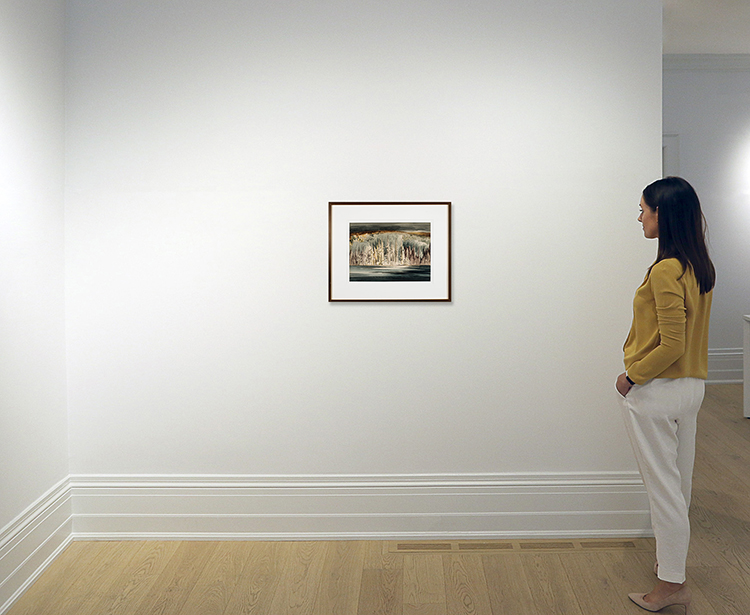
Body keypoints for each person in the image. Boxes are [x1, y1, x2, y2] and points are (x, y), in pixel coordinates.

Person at [616, 176, 715, 614]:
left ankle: (670, 585)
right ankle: (672, 573)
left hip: (658, 391)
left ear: (663, 214)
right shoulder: (698, 266)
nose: (639, 216)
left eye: (643, 209)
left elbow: (671, 343)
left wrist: (632, 376)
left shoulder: (665, 269)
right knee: (680, 487)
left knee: (664, 492)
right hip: (691, 389)